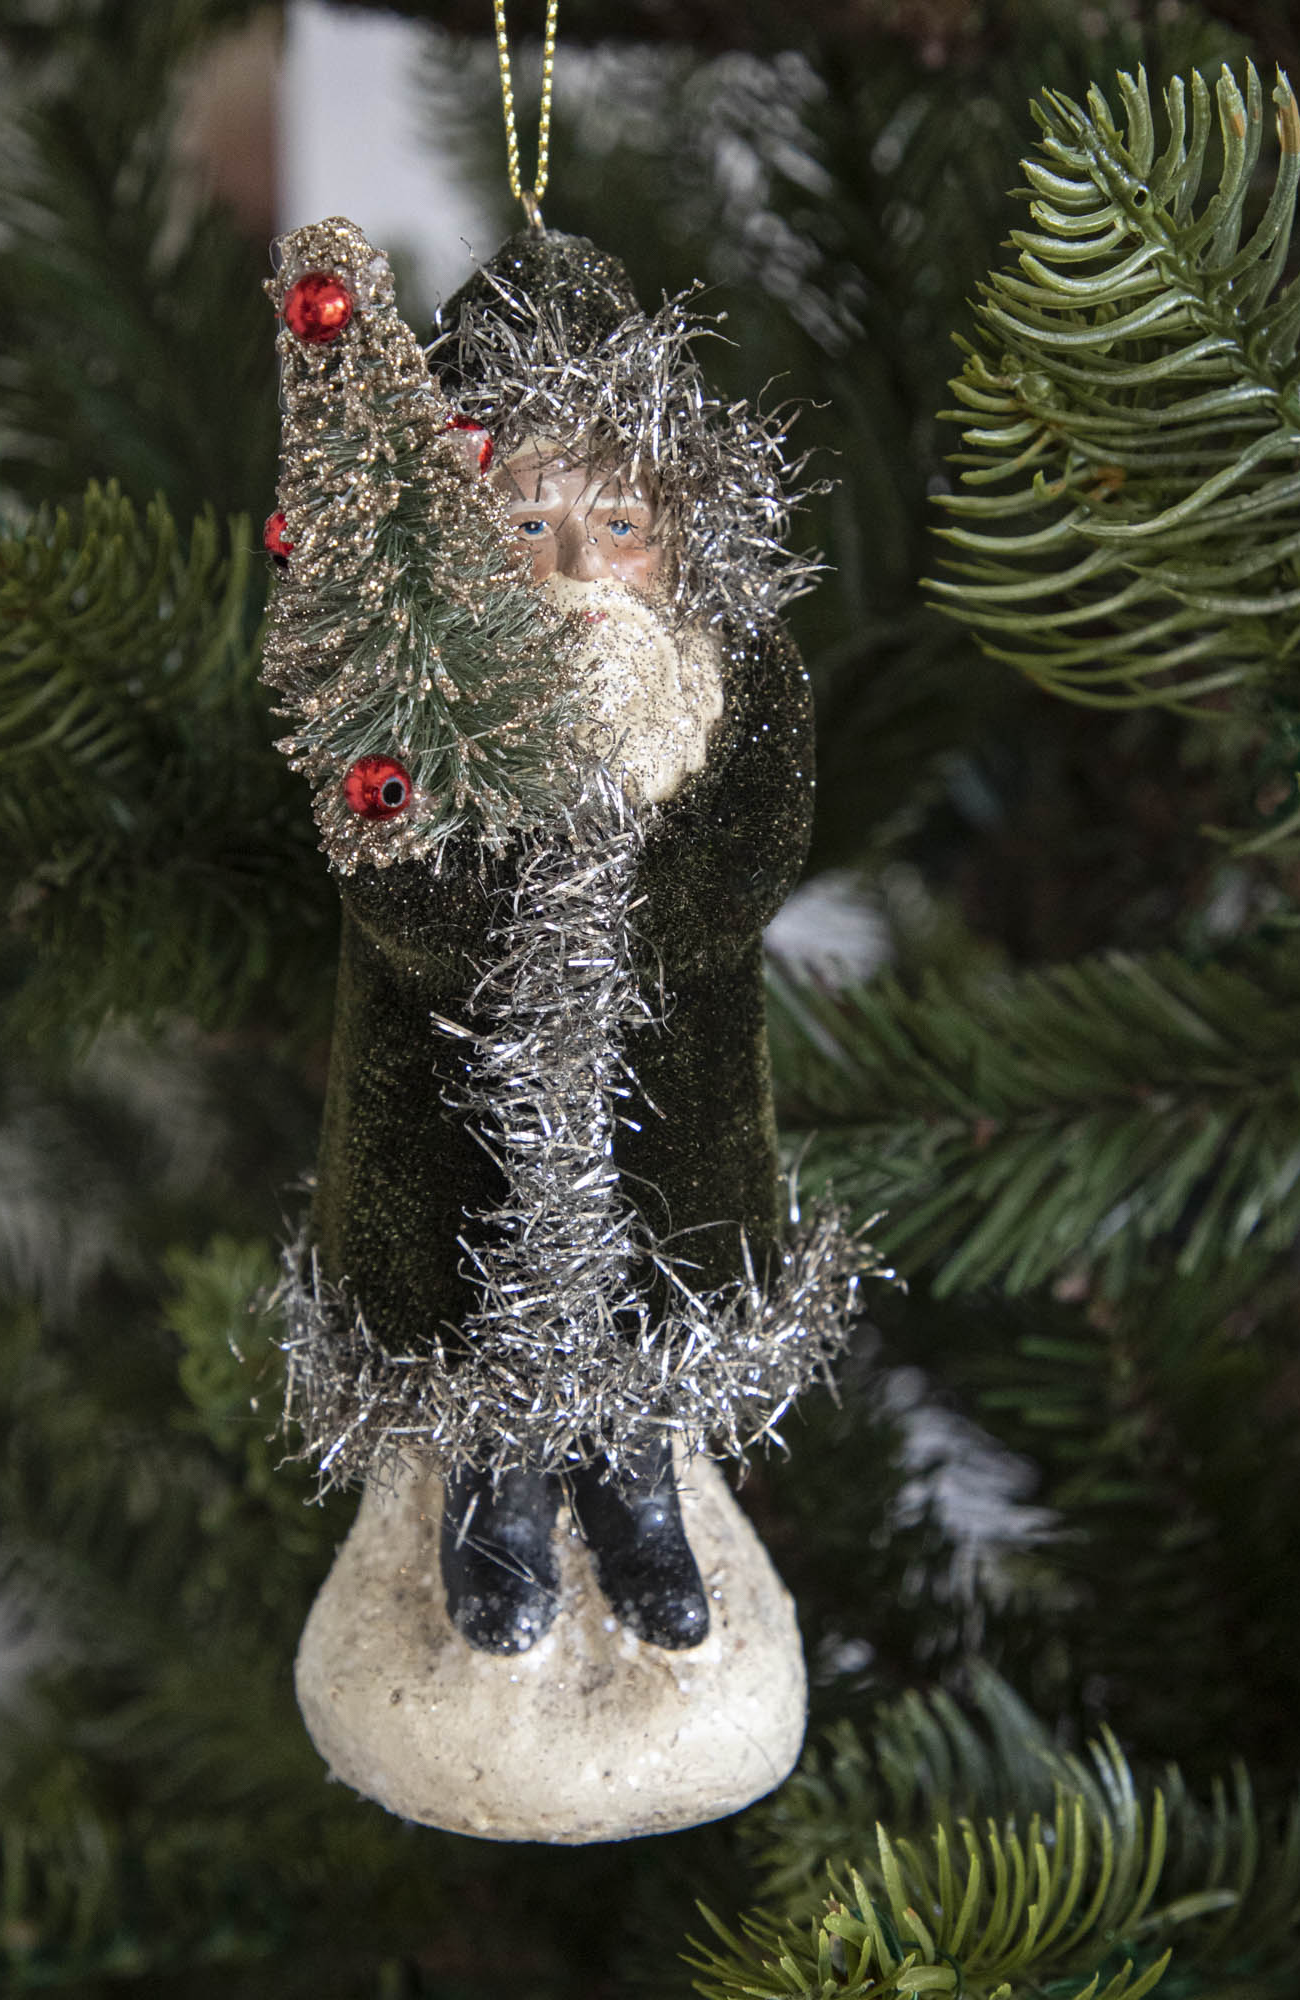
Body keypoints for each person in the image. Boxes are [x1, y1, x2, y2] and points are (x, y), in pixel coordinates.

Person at [292, 228, 832, 1654]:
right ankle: (498, 1499)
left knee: (661, 1302)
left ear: (675, 529)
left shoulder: (741, 672)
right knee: (470, 1323)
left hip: (675, 1086)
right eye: (529, 529)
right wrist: (525, 908)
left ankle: (638, 1485)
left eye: (621, 526)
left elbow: (751, 854)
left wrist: (620, 918)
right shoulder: (402, 693)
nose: (581, 568)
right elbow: (396, 889)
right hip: (447, 1090)